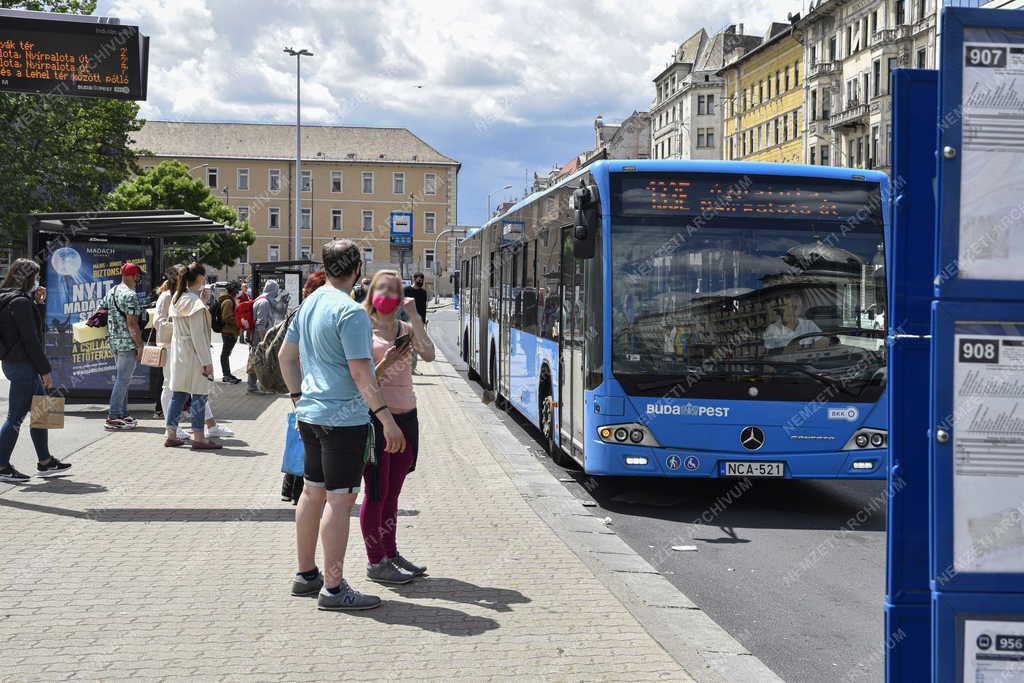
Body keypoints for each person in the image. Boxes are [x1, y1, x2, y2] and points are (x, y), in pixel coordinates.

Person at [278, 239, 406, 611]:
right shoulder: (350, 313)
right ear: (358, 269)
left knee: (311, 492)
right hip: (344, 420)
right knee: (340, 499)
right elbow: (361, 371)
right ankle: (334, 589)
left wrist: (298, 398)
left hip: (310, 416)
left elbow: (286, 356)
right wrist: (386, 420)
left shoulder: (310, 303)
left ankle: (306, 574)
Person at [360, 269, 435, 584]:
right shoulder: (361, 327)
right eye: (384, 289)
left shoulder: (405, 328)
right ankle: (375, 562)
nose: (390, 296)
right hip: (378, 420)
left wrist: (415, 316)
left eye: (395, 290)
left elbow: (429, 354)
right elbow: (359, 379)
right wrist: (386, 362)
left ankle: (390, 553)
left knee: (393, 493)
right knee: (376, 493)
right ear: (372, 293)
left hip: (408, 417)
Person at [0, 259, 72, 483]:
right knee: (15, 417)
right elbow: (31, 339)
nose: (39, 281)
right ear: (28, 278)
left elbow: (29, 331)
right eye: (36, 276)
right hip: (24, 365)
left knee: (44, 411)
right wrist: (45, 370)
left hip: (15, 362)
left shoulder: (8, 297)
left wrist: (38, 303)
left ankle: (45, 460)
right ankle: (1, 466)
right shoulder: (20, 302)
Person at [281, 270, 328, 505]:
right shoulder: (309, 313)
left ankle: (291, 488)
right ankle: (298, 490)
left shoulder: (299, 312)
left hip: (300, 382)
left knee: (300, 435)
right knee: (306, 438)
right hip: (306, 381)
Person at [163, 263, 222, 450]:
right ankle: (199, 437)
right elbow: (198, 336)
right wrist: (207, 362)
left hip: (179, 352)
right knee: (200, 394)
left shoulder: (177, 298)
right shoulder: (194, 303)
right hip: (194, 356)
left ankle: (171, 434)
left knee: (178, 394)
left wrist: (202, 302)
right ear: (200, 278)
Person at [104, 262, 145, 431]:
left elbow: (103, 312)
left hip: (114, 341)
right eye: (138, 275)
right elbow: (132, 324)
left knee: (123, 380)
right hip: (127, 343)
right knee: (123, 380)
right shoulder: (130, 295)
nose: (139, 278)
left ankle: (122, 413)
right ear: (133, 275)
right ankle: (113, 416)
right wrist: (140, 345)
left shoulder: (112, 291)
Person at [247, 280, 278, 394]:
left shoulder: (260, 300)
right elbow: (261, 324)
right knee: (261, 362)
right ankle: (260, 386)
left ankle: (252, 386)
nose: (277, 293)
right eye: (276, 290)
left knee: (256, 360)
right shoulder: (264, 303)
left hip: (256, 337)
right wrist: (265, 341)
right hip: (260, 338)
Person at [218, 281, 242, 383]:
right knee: (225, 354)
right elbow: (227, 317)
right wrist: (238, 323)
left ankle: (228, 374)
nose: (239, 292)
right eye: (238, 289)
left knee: (226, 354)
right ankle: (226, 375)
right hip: (228, 332)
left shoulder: (230, 300)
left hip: (230, 331)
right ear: (234, 290)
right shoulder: (228, 302)